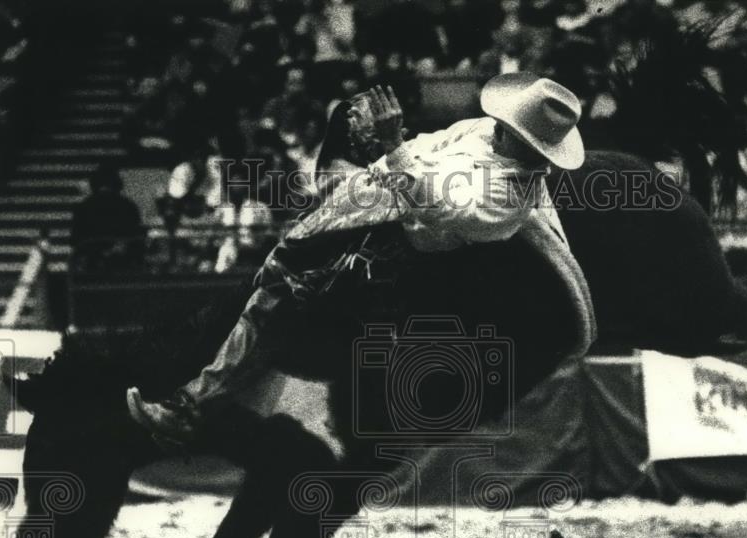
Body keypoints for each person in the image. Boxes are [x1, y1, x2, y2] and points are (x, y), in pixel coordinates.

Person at [126, 74, 585, 442]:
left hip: (404, 258)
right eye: (508, 124)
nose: (502, 129)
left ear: (531, 146)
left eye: (513, 130)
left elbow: (436, 205)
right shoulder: (484, 131)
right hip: (375, 202)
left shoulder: (510, 197)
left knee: (278, 301)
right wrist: (387, 142)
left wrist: (390, 145)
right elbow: (428, 148)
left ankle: (192, 408)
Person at [70, 165, 144, 273]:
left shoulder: (83, 207)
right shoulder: (128, 206)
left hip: (92, 266)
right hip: (123, 264)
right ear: (118, 183)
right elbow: (136, 235)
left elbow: (74, 239)